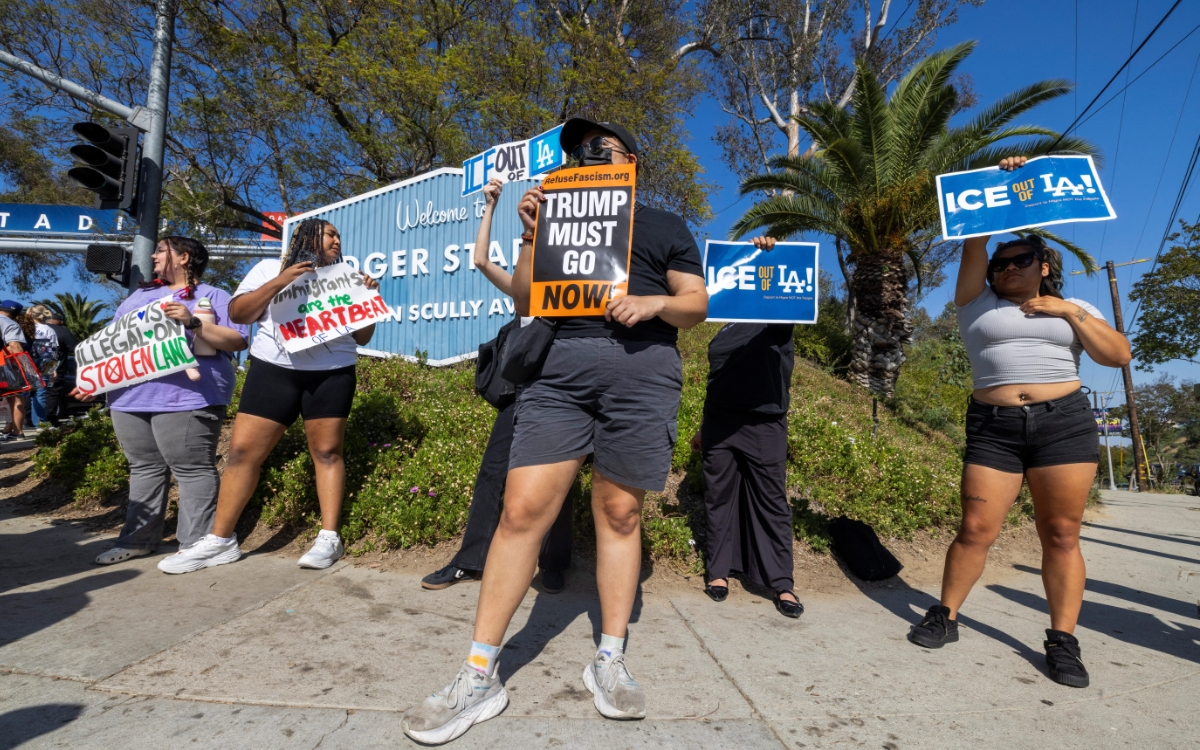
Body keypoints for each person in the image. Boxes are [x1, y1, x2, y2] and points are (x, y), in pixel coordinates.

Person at [401, 119, 709, 744]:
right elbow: (522, 301)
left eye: (605, 148)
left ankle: (610, 659)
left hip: (643, 376)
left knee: (620, 515)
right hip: (559, 373)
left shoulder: (664, 226)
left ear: (632, 162)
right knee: (522, 512)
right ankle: (479, 673)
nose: (589, 155)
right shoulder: (551, 220)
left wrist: (653, 304)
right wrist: (529, 235)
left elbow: (695, 304)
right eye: (579, 150)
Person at [906, 156, 1133, 689]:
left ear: (1043, 264)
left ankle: (1063, 641)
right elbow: (972, 239)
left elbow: (1118, 355)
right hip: (993, 425)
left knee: (1060, 533)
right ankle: (947, 614)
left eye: (1020, 260)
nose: (1006, 268)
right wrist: (1000, 183)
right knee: (975, 529)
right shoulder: (973, 302)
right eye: (1000, 263)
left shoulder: (1074, 306)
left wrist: (1067, 312)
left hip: (1064, 423)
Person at [156, 218, 380, 574]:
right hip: (273, 369)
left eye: (339, 234)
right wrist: (281, 279)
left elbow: (363, 337)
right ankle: (221, 540)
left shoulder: (348, 274)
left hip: (331, 372)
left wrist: (368, 295)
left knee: (326, 452)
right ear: (307, 237)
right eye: (331, 234)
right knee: (244, 453)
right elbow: (239, 313)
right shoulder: (267, 269)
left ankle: (329, 537)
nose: (338, 239)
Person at [421, 178, 574, 594]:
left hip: (563, 391)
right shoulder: (525, 283)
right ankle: (470, 561)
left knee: (561, 480)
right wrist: (491, 205)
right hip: (521, 393)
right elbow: (482, 260)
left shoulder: (574, 285)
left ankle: (555, 563)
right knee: (493, 473)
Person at [71, 237, 250, 565]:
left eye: (161, 251)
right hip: (129, 397)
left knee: (192, 468)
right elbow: (115, 346)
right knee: (143, 468)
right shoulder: (138, 297)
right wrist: (92, 381)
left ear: (183, 258)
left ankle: (197, 544)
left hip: (189, 397)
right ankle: (138, 540)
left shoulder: (214, 297)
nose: (152, 256)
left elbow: (238, 340)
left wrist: (192, 321)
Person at [689, 236, 803, 619]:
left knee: (771, 502)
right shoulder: (722, 329)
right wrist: (704, 429)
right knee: (718, 497)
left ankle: (782, 583)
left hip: (765, 424)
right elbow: (715, 381)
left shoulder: (774, 323)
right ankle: (718, 572)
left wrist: (772, 254)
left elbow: (783, 305)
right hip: (720, 422)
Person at [25, 304, 60, 429]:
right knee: (40, 393)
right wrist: (53, 369)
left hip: (26, 361)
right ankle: (40, 423)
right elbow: (53, 351)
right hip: (44, 361)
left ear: (30, 314)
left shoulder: (25, 328)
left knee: (24, 394)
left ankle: (16, 423)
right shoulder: (49, 330)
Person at [0, 300, 30, 439]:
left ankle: (13, 431)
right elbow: (15, 347)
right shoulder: (10, 324)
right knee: (18, 400)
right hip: (5, 366)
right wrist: (27, 369)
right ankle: (18, 432)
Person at [41, 312, 77, 427]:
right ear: (61, 321)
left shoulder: (36, 328)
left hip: (33, 365)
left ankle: (29, 419)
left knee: (36, 393)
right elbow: (75, 348)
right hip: (54, 366)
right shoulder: (63, 332)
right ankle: (49, 419)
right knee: (52, 392)